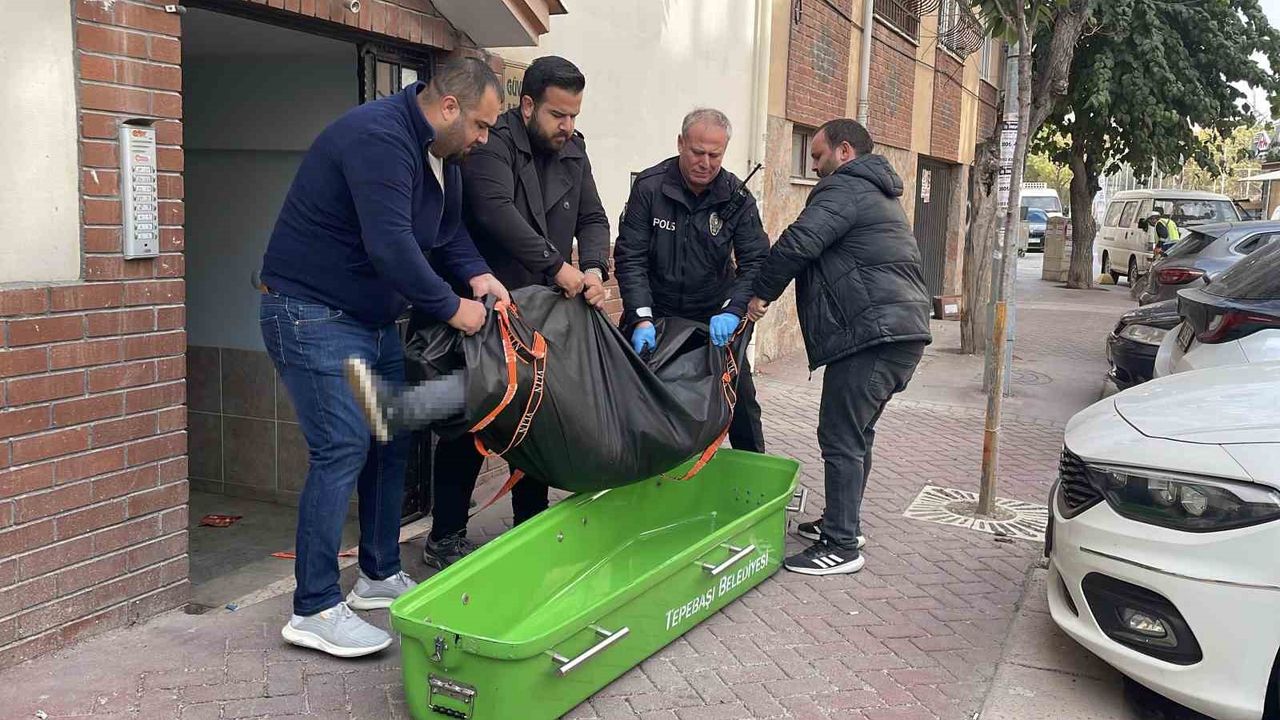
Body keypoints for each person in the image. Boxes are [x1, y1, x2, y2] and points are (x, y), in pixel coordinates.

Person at [258, 58, 507, 657]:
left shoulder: (444, 156)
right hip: (310, 314)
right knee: (342, 446)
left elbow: (447, 234)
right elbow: (390, 243)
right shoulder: (379, 137)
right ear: (448, 106)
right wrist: (453, 308)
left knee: (390, 439)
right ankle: (314, 607)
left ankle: (376, 575)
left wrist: (480, 277)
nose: (483, 138)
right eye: (479, 124)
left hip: (369, 321)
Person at [420, 55, 610, 569]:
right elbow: (494, 212)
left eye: (573, 116)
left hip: (544, 313)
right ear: (527, 106)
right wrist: (558, 267)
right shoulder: (493, 142)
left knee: (539, 420)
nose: (567, 127)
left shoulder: (575, 150)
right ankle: (446, 538)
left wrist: (592, 267)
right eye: (557, 115)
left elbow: (593, 216)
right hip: (485, 306)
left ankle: (530, 528)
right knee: (468, 422)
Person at [747, 118, 931, 576]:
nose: (813, 166)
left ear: (844, 151)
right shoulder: (876, 192)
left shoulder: (845, 188)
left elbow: (798, 244)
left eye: (817, 155)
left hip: (874, 336)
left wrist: (757, 296)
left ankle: (841, 545)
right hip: (899, 332)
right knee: (857, 433)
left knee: (840, 436)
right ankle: (841, 522)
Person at [613, 108, 769, 453]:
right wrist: (641, 316)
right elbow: (630, 256)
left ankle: (754, 476)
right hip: (657, 312)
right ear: (681, 143)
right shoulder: (650, 188)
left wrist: (734, 308)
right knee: (634, 398)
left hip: (712, 315)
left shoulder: (736, 197)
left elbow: (755, 261)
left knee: (738, 396)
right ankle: (634, 479)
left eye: (716, 154)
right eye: (698, 152)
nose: (706, 162)